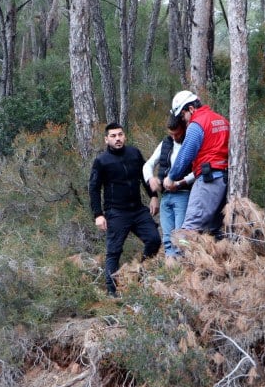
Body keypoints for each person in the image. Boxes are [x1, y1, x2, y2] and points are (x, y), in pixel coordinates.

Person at [88, 122, 162, 296]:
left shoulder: (134, 153)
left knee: (154, 240)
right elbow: (93, 188)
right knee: (114, 252)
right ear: (106, 139)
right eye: (113, 136)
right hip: (116, 212)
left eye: (120, 135)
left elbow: (145, 175)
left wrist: (153, 196)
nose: (117, 139)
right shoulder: (101, 161)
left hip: (138, 210)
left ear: (124, 136)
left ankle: (141, 276)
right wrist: (98, 215)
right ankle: (112, 292)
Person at [163, 90, 230, 238]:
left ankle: (186, 254)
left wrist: (171, 177)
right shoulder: (222, 121)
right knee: (214, 232)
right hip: (224, 181)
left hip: (208, 182)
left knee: (187, 233)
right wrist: (181, 182)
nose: (184, 120)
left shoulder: (197, 125)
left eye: (183, 115)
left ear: (191, 109)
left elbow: (185, 154)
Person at [143, 113, 194, 257]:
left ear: (184, 129)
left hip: (183, 195)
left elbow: (197, 171)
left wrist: (178, 183)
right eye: (171, 134)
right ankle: (171, 266)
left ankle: (183, 266)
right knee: (167, 239)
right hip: (165, 197)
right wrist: (150, 179)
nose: (174, 137)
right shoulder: (165, 143)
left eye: (177, 134)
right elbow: (148, 165)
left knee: (181, 237)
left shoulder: (191, 143)